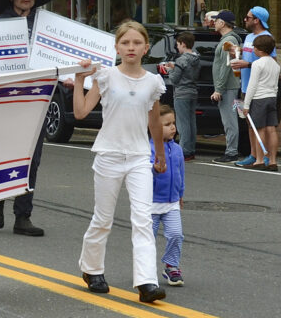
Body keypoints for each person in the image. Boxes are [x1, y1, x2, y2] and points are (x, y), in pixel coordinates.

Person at [73, 21, 167, 303]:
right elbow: (80, 112)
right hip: (108, 155)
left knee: (142, 218)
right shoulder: (106, 77)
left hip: (139, 156)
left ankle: (147, 282)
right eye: (125, 43)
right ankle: (92, 270)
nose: (131, 48)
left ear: (146, 48)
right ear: (116, 47)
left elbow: (154, 121)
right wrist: (79, 81)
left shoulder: (153, 82)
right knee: (103, 218)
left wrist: (159, 153)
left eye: (137, 43)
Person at [0, 0, 58, 236]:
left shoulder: (48, 28)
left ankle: (23, 216)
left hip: (36, 102)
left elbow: (61, 57)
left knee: (32, 160)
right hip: (5, 102)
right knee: (5, 155)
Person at [232, 6, 274, 168]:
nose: (245, 19)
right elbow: (248, 54)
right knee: (250, 124)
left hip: (259, 89)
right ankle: (253, 154)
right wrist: (237, 53)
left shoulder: (266, 37)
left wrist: (247, 64)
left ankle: (264, 157)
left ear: (257, 20)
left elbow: (269, 63)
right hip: (245, 87)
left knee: (261, 125)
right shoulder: (249, 36)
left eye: (248, 17)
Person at [151, 104, 186, 286]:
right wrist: (154, 170)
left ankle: (171, 266)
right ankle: (145, 271)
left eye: (173, 123)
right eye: (167, 124)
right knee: (147, 239)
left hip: (171, 202)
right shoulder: (149, 148)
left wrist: (180, 193)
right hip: (151, 203)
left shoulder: (178, 150)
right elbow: (144, 173)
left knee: (176, 234)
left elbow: (181, 173)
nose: (172, 127)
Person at [238, 33, 280, 171]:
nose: (253, 50)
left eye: (255, 48)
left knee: (259, 129)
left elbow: (252, 85)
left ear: (260, 50)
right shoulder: (276, 64)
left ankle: (260, 160)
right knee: (272, 129)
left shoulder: (257, 64)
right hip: (272, 98)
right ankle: (273, 160)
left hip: (259, 99)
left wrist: (246, 104)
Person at [210, 10, 242, 163]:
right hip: (231, 86)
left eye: (216, 20)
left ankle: (231, 152)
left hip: (228, 87)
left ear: (222, 23)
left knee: (229, 120)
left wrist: (219, 89)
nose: (214, 23)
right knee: (230, 118)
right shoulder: (230, 40)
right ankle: (232, 150)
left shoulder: (228, 42)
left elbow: (226, 66)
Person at [163, 31, 200, 161]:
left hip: (181, 93)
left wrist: (170, 70)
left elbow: (174, 79)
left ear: (183, 44)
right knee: (191, 122)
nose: (177, 47)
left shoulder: (181, 59)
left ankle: (183, 151)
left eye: (178, 44)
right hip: (193, 92)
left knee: (182, 123)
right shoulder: (196, 58)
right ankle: (191, 150)